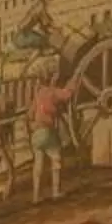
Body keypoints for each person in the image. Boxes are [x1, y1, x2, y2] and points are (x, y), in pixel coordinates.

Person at [27, 59, 76, 201]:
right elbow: (67, 95)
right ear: (51, 78)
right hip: (47, 132)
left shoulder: (38, 94)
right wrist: (73, 83)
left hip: (36, 135)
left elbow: (30, 115)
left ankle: (36, 196)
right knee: (56, 159)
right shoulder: (52, 93)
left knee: (38, 165)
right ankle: (55, 192)